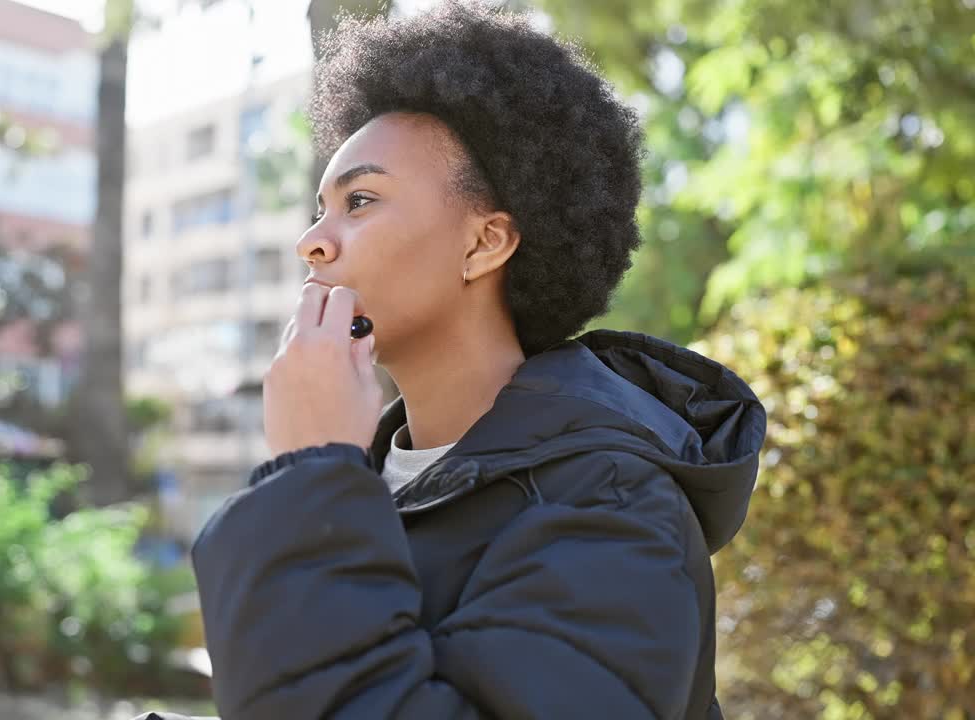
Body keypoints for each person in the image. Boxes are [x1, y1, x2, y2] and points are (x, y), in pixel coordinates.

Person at [155, 2, 766, 718]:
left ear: (484, 244)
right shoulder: (368, 488)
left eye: (360, 200)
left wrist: (314, 468)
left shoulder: (610, 504)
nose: (313, 243)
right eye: (320, 210)